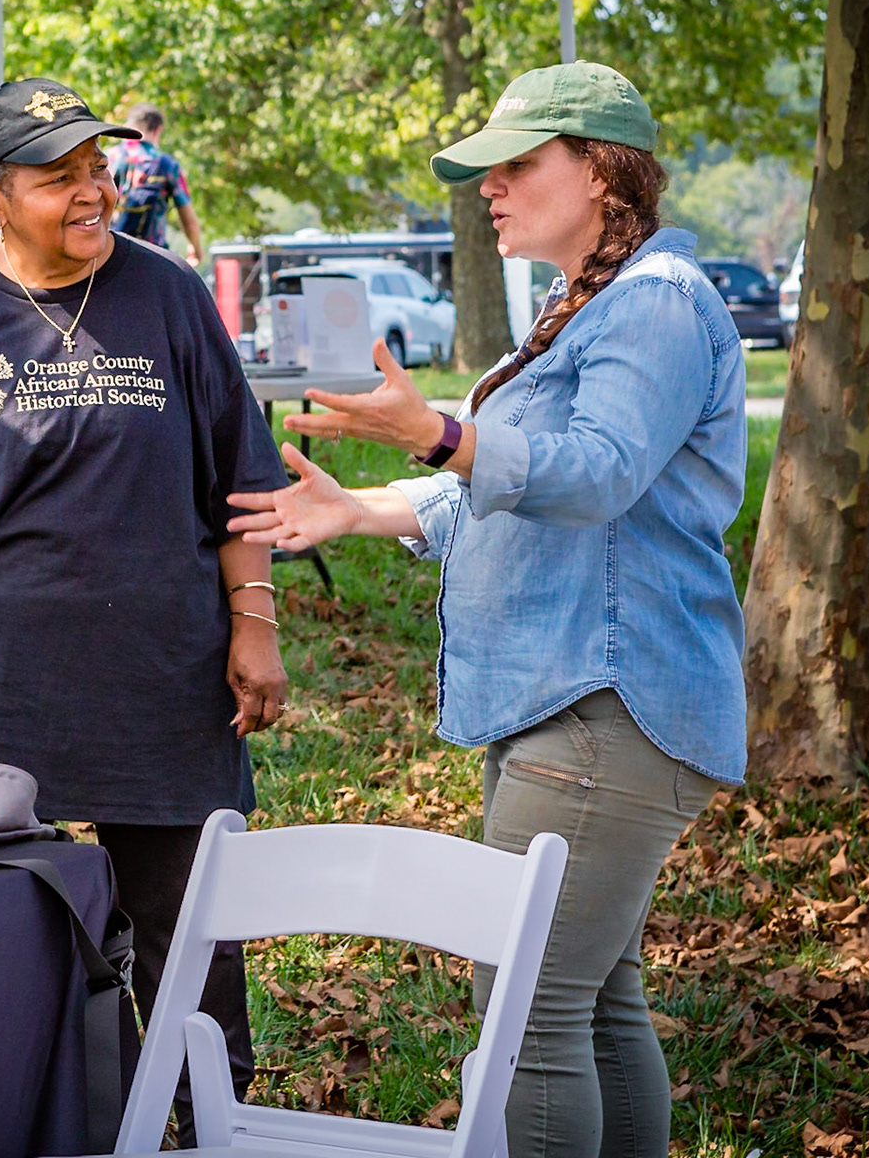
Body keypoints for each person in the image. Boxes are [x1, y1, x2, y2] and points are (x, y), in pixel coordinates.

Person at [228, 62, 745, 1158]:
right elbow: (513, 498)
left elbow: (594, 472)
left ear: (601, 172)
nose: (490, 189)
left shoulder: (655, 303)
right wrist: (356, 509)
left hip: (609, 704)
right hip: (572, 701)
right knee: (592, 1005)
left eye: (516, 165)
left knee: (524, 1015)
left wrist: (438, 434)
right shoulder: (588, 305)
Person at [0, 78, 290, 1131]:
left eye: (96, 168)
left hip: (163, 675)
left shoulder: (168, 296)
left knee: (185, 920)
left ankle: (210, 1121)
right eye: (58, 177)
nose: (94, 192)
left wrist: (254, 624)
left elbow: (244, 483)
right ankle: (53, 1110)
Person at [108, 102, 204, 266]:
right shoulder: (166, 164)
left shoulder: (109, 158)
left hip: (109, 256)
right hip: (151, 258)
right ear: (158, 130)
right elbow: (188, 218)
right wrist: (196, 249)